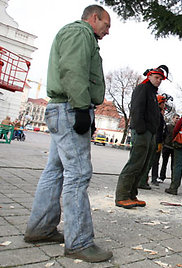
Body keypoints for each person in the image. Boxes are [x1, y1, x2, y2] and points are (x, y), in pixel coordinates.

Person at [23, 5, 112, 263]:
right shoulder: (80, 33)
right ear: (94, 18)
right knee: (78, 173)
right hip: (70, 107)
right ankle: (79, 241)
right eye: (106, 26)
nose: (107, 32)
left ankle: (40, 228)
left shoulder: (80, 34)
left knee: (55, 170)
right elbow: (72, 70)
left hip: (63, 108)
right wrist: (83, 107)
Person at [115, 65, 168, 208]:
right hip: (142, 132)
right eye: (156, 78)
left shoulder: (152, 93)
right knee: (135, 163)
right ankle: (122, 196)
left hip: (150, 133)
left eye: (161, 79)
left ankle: (132, 194)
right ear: (149, 76)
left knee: (143, 165)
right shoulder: (142, 89)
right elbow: (136, 109)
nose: (158, 81)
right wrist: (140, 129)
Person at [138, 94, 167, 189]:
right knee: (149, 162)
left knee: (150, 162)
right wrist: (159, 142)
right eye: (163, 103)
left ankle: (143, 180)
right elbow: (158, 130)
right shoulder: (157, 114)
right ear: (160, 103)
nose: (164, 106)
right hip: (154, 141)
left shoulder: (155, 113)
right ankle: (142, 181)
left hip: (154, 140)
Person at [158, 113, 180, 183]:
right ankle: (162, 177)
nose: (177, 120)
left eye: (178, 119)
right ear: (173, 118)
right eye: (176, 118)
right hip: (167, 146)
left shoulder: (179, 128)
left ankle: (173, 178)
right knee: (164, 163)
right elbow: (164, 135)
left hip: (174, 147)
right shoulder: (168, 126)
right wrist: (163, 143)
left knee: (173, 164)